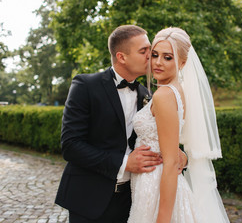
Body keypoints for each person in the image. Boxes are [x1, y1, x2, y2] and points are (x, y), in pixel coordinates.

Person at [55, 25, 187, 222]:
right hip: (90, 198)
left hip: (133, 199)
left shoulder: (149, 95)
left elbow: (161, 139)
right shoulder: (85, 86)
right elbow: (71, 146)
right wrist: (125, 163)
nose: (151, 57)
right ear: (122, 57)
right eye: (144, 52)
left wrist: (181, 155)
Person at [128, 27, 230, 223]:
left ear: (182, 63)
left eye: (168, 57)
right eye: (155, 55)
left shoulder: (164, 95)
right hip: (151, 181)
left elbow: (171, 162)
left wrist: (163, 219)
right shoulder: (177, 90)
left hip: (157, 185)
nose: (158, 62)